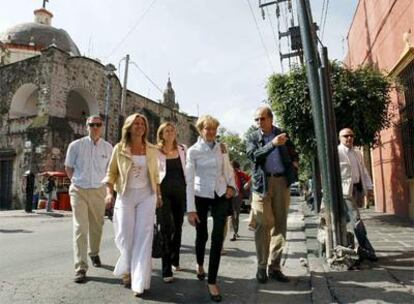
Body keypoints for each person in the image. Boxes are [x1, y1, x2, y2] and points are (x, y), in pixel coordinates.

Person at [103, 113, 162, 297]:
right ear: (128, 127)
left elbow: (156, 175)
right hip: (125, 195)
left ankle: (139, 281)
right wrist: (109, 193)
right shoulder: (119, 148)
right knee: (125, 236)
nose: (139, 126)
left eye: (142, 123)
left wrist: (158, 194)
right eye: (135, 123)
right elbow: (111, 173)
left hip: (147, 196)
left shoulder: (152, 149)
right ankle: (127, 266)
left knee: (143, 237)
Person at [186, 115, 236, 302]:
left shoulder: (221, 148)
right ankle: (200, 264)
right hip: (200, 196)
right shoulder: (193, 151)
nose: (211, 132)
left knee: (217, 237)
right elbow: (189, 180)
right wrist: (190, 209)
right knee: (202, 235)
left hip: (220, 194)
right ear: (201, 130)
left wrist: (232, 187)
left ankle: (212, 280)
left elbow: (228, 169)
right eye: (208, 128)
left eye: (214, 129)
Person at [246, 106, 298, 284]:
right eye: (257, 120)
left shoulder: (283, 133)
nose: (259, 122)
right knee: (264, 222)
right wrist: (272, 144)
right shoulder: (253, 137)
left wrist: (295, 162)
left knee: (280, 225)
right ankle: (261, 266)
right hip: (262, 183)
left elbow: (292, 151)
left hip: (281, 182)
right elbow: (254, 156)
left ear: (271, 119)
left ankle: (274, 267)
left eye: (262, 119)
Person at [65, 115, 113, 283]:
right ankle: (80, 267)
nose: (95, 127)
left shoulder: (108, 148)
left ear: (102, 127)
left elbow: (110, 172)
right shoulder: (75, 146)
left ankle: (94, 253)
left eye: (98, 125)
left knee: (97, 226)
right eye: (92, 124)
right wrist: (75, 182)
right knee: (80, 227)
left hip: (99, 191)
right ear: (87, 126)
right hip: (79, 190)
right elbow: (68, 167)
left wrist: (109, 192)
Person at [337, 128, 377, 261]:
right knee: (356, 218)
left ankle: (350, 245)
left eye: (351, 136)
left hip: (357, 188)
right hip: (345, 191)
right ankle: (366, 248)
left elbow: (363, 170)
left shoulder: (357, 153)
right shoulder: (337, 152)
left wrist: (369, 187)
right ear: (340, 138)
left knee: (349, 218)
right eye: (345, 136)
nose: (349, 138)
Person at [156, 122, 187, 283]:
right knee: (165, 228)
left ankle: (175, 259)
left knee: (178, 226)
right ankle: (166, 268)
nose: (170, 133)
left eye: (172, 130)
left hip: (180, 192)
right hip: (163, 193)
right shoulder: (156, 151)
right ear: (161, 134)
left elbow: (188, 169)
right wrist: (157, 195)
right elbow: (154, 175)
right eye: (166, 131)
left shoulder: (182, 149)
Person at [229, 160, 251, 241]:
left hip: (238, 196)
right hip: (229, 196)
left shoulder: (240, 173)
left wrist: (247, 184)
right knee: (231, 215)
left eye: (232, 167)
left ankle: (235, 231)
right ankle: (232, 233)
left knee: (236, 215)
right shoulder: (227, 173)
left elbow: (250, 178)